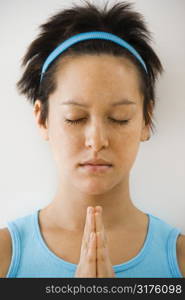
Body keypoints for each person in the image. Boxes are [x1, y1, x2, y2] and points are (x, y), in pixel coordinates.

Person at [0, 0, 184, 278]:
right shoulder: (5, 256)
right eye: (75, 117)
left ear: (146, 120)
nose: (96, 141)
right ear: (42, 119)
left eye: (120, 118)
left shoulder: (180, 261)